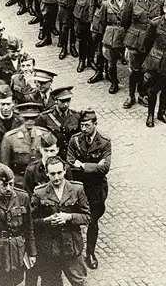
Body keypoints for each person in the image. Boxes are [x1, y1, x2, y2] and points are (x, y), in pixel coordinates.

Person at [29, 157, 89, 286]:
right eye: (52, 174)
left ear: (65, 171)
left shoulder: (77, 189)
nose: (56, 178)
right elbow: (30, 221)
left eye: (59, 173)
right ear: (46, 173)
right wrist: (46, 221)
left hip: (72, 248)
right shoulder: (39, 193)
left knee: (79, 282)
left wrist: (69, 217)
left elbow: (87, 217)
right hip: (50, 250)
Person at [65, 109, 111, 270]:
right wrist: (92, 166)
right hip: (77, 187)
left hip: (96, 189)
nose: (83, 129)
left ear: (95, 124)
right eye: (82, 125)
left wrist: (82, 165)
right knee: (73, 217)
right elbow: (70, 159)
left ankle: (90, 253)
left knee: (93, 221)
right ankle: (72, 250)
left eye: (86, 125)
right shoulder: (75, 140)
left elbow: (104, 168)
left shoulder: (104, 142)